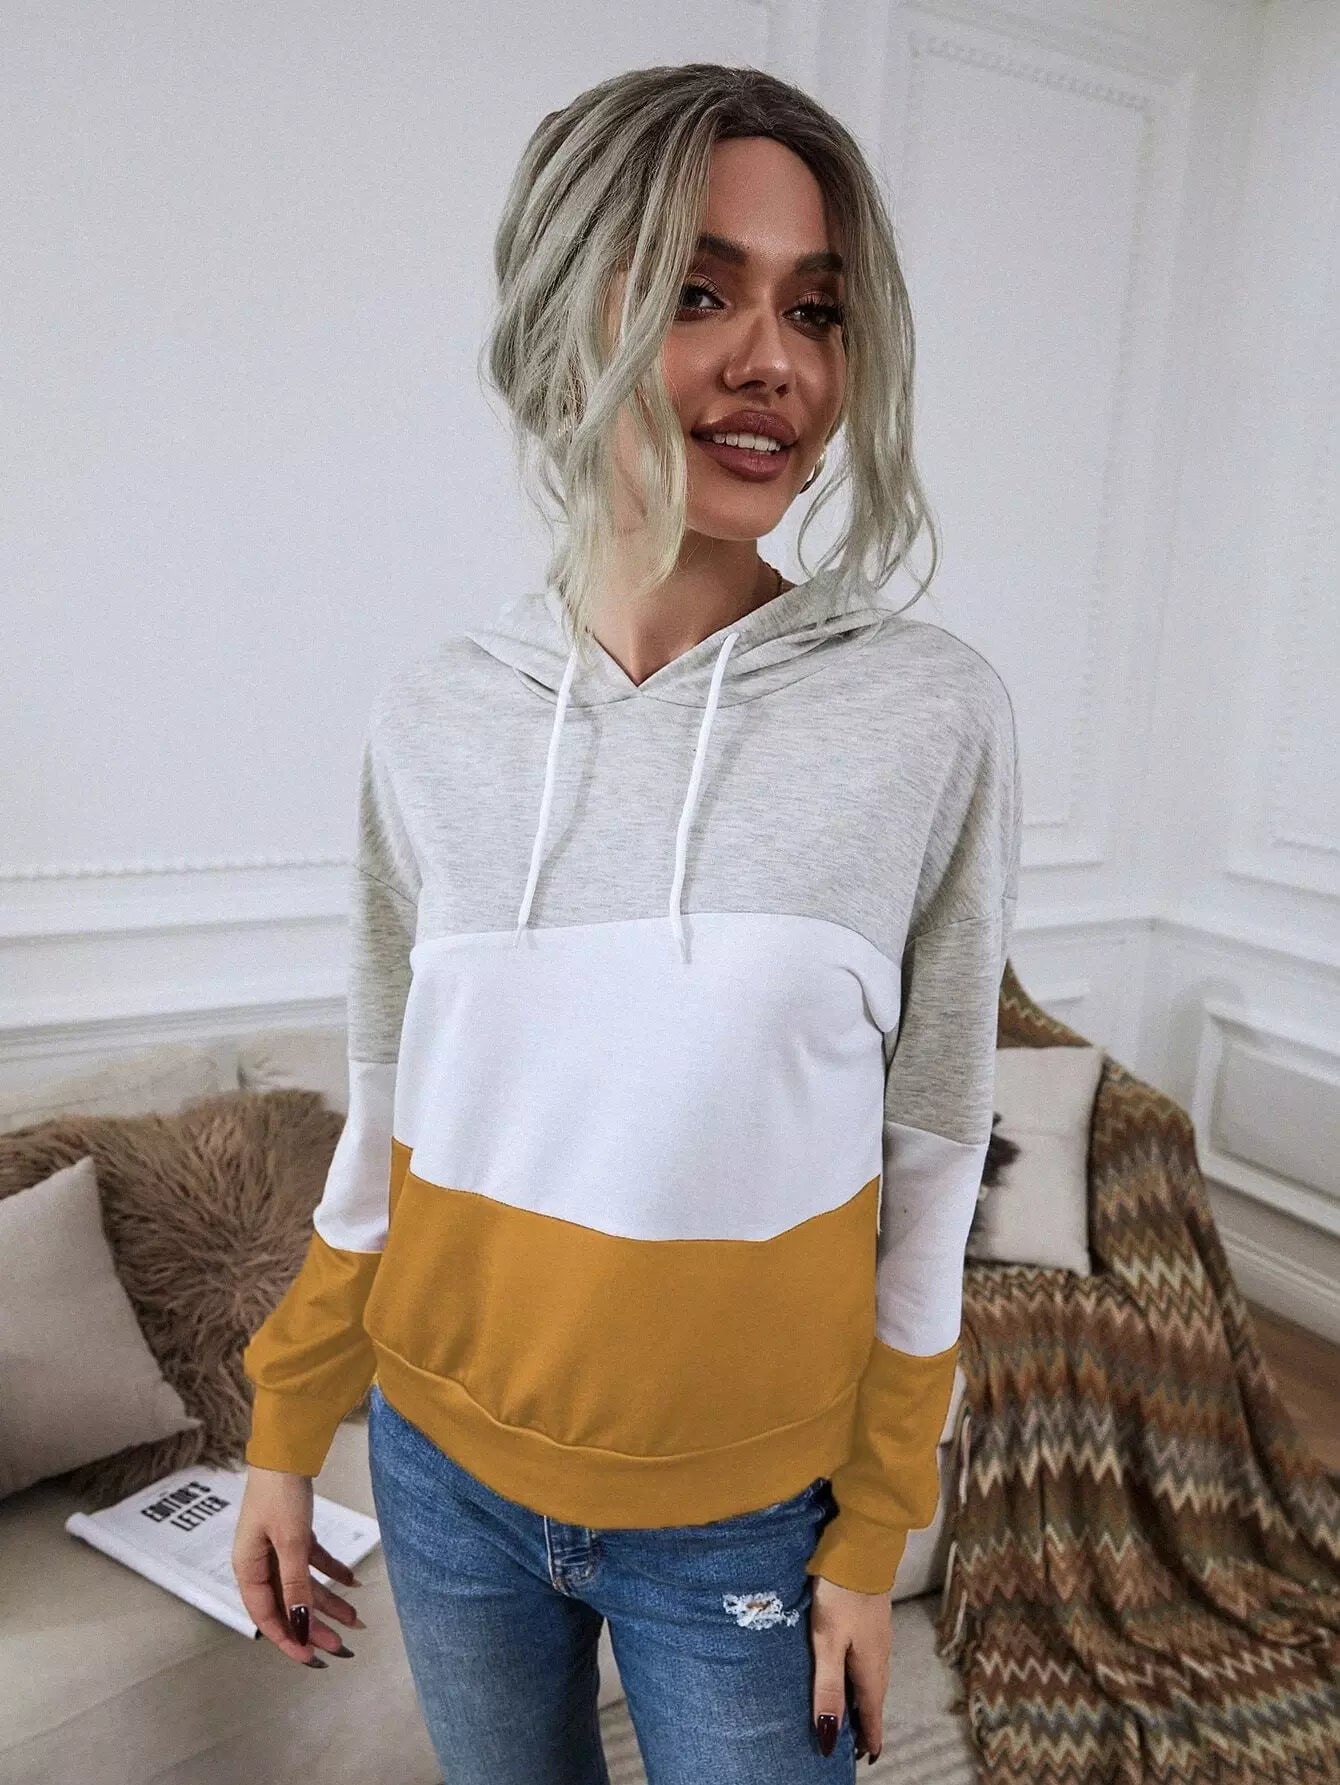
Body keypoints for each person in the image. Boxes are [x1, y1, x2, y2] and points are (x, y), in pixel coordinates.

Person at [231, 61, 1021, 1785]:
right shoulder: (432, 715)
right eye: (696, 292)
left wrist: (875, 1528)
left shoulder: (928, 715)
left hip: (744, 1519)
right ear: (561, 315)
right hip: (439, 1468)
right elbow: (392, 1113)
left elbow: (934, 1160)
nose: (776, 362)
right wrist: (287, 1426)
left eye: (816, 309)